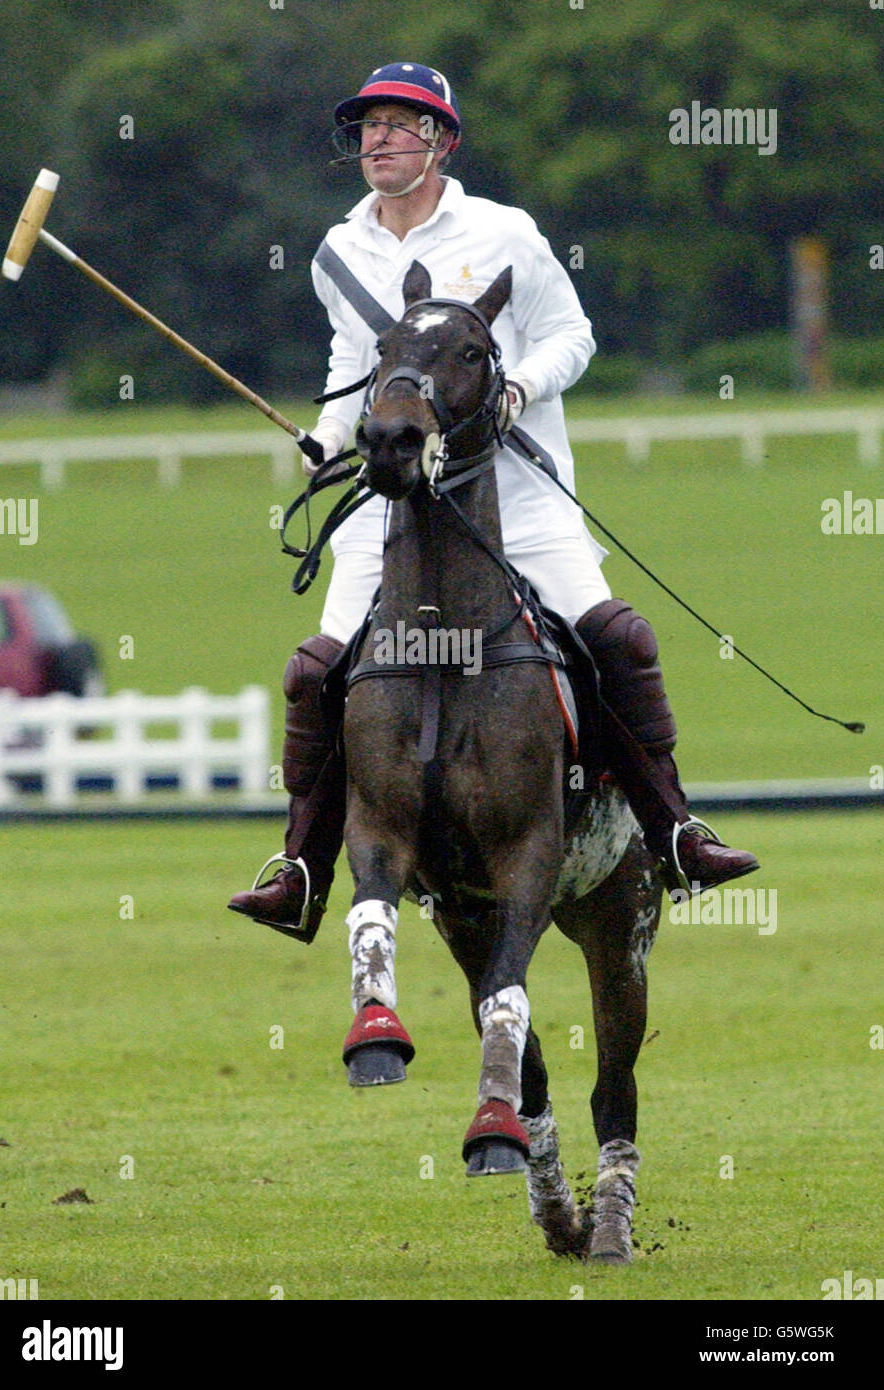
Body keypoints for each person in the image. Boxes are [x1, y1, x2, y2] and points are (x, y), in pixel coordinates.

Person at [228, 62, 757, 938]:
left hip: (518, 491)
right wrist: (328, 434)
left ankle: (675, 833)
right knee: (317, 672)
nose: (380, 141)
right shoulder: (337, 252)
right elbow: (346, 370)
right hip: (396, 502)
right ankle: (299, 870)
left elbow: (571, 335)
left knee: (618, 640)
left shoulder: (505, 232)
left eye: (403, 125)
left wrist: (516, 393)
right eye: (368, 127)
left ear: (443, 141)